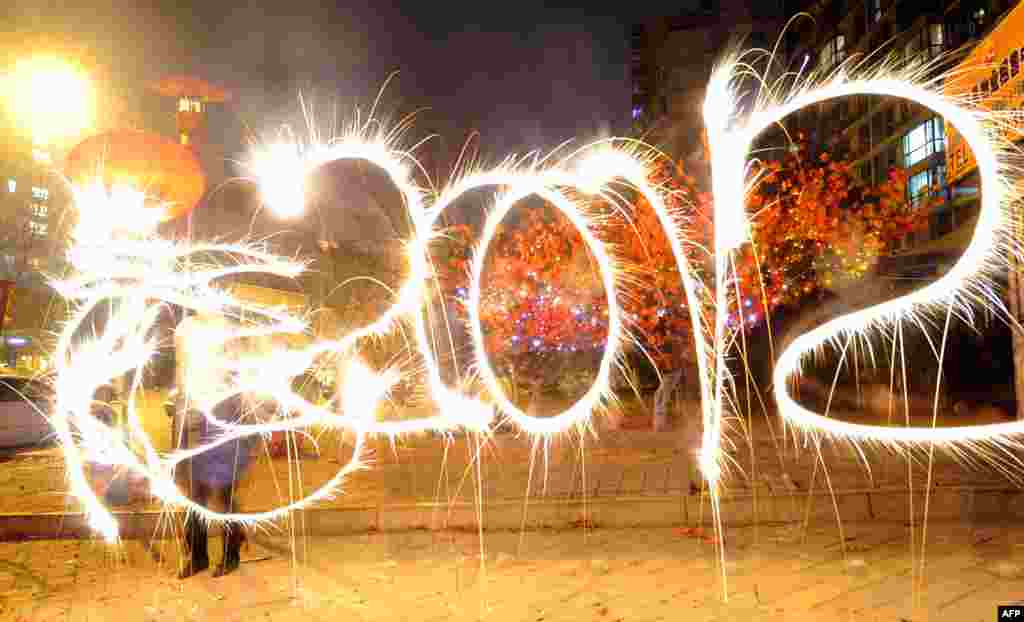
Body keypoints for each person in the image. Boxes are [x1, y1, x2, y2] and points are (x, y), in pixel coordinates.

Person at [179, 390, 255, 579]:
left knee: (225, 502)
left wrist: (245, 454)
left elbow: (249, 420)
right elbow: (184, 422)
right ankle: (198, 558)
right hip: (199, 452)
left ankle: (231, 556)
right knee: (195, 503)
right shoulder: (198, 381)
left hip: (227, 452)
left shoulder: (233, 387)